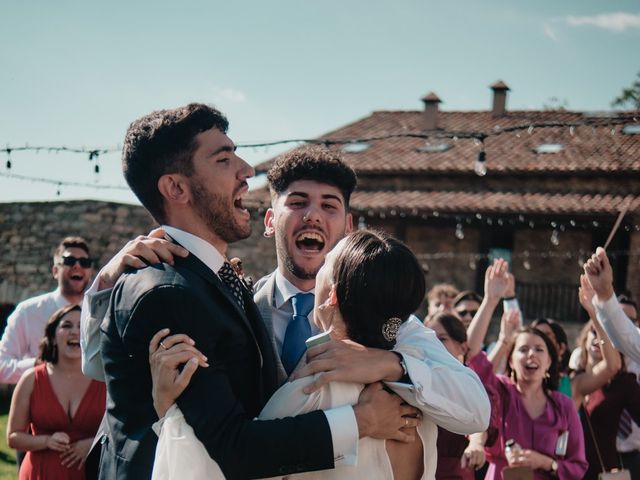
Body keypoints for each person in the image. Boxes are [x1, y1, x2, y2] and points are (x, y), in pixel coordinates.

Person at [91, 103, 423, 480]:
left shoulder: (210, 280)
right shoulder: (169, 291)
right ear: (176, 188)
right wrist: (360, 421)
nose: (247, 171)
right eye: (223, 159)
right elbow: (234, 446)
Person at [152, 229, 486, 479]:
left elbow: (233, 466)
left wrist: (168, 411)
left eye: (326, 264)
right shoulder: (425, 386)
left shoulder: (310, 391)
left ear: (333, 296)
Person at [465, 261, 588, 479]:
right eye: (523, 349)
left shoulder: (563, 406)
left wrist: (547, 463)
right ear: (511, 361)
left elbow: (578, 466)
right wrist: (491, 300)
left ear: (550, 361)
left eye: (539, 349)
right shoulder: (500, 391)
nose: (531, 354)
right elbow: (472, 354)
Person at [7, 304, 106, 479]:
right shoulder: (31, 379)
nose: (74, 331)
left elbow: (120, 429)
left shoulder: (103, 380)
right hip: (40, 473)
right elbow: (13, 437)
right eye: (67, 326)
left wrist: (92, 443)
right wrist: (46, 441)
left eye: (80, 326)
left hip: (91, 472)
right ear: (52, 337)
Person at [0, 237, 93, 384]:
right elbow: (2, 367)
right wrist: (39, 365)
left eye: (84, 263)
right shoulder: (27, 312)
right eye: (69, 261)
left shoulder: (99, 313)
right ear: (55, 271)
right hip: (41, 400)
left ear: (90, 271)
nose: (77, 266)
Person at [425, 312, 494, 480]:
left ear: (462, 347)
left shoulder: (471, 384)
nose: (433, 345)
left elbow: (480, 422)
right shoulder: (413, 378)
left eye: (441, 339)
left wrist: (476, 443)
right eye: (427, 339)